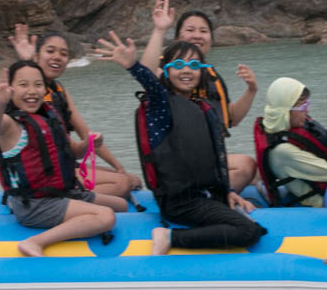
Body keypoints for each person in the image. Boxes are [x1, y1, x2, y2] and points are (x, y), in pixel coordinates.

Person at [96, 31, 267, 255]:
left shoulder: (202, 107)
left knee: (255, 229)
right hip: (181, 204)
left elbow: (213, 158)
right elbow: (152, 85)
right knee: (249, 232)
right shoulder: (162, 106)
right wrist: (133, 66)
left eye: (194, 65)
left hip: (204, 196)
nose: (186, 70)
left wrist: (226, 191)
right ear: (165, 71)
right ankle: (170, 237)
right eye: (177, 64)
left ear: (202, 72)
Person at [0, 60, 127, 257]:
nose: (32, 91)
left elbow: (74, 151)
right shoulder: (9, 125)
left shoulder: (49, 118)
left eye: (38, 84)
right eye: (23, 85)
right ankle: (35, 242)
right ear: (11, 89)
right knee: (106, 216)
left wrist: (89, 144)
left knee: (122, 205)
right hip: (35, 204)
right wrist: (0, 103)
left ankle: (75, 223)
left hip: (60, 194)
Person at [140, 0, 258, 191]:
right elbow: (146, 75)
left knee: (257, 172)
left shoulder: (210, 75)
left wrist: (251, 90)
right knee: (246, 165)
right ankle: (212, 201)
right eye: (190, 30)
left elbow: (230, 119)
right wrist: (160, 30)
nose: (197, 35)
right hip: (176, 162)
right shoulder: (168, 70)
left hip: (206, 157)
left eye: (203, 31)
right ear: (177, 38)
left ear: (211, 39)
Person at [10, 25, 142, 198]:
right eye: (50, 51)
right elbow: (13, 94)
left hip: (66, 163)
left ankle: (72, 193)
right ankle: (61, 198)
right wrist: (28, 62)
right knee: (123, 183)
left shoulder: (58, 90)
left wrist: (118, 166)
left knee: (132, 180)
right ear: (37, 56)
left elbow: (86, 135)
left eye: (63, 54)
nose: (57, 57)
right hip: (46, 173)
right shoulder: (31, 96)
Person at [255, 77, 327, 207]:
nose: (307, 110)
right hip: (322, 198)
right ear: (285, 111)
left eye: (308, 104)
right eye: (303, 106)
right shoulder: (282, 151)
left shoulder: (291, 126)